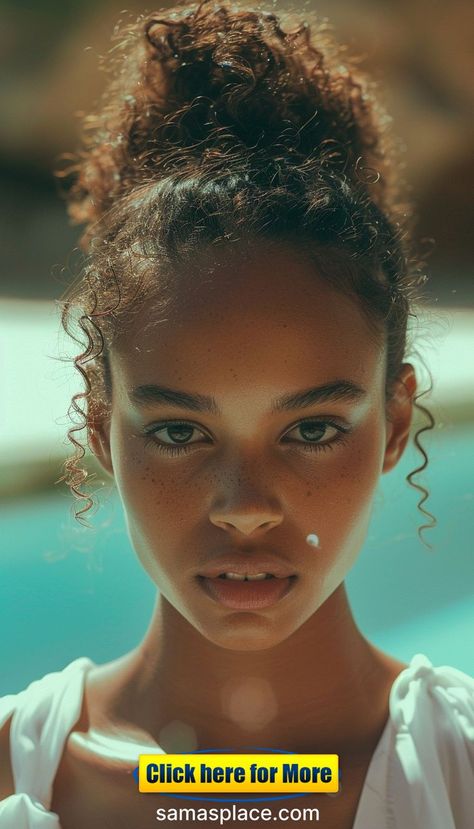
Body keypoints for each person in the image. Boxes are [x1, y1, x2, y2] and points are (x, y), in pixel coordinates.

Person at [1, 1, 472, 827]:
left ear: (396, 424)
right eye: (180, 431)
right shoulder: (16, 771)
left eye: (313, 429)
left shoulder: (460, 770)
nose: (245, 505)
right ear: (97, 423)